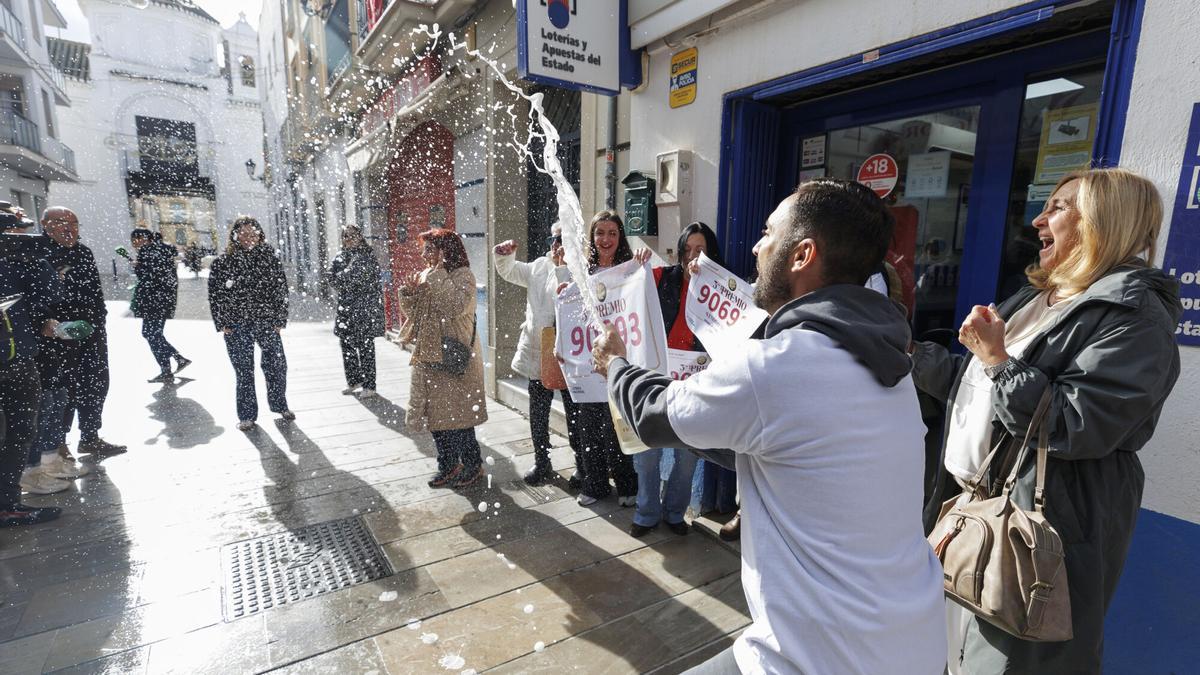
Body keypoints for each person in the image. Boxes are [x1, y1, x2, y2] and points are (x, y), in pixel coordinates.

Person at [595, 179, 945, 674]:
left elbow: (654, 415)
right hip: (916, 647)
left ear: (802, 254)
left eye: (768, 232)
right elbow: (782, 453)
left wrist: (614, 364)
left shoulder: (778, 364)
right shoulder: (890, 364)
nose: (757, 247)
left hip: (819, 659)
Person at [911, 167, 1181, 674]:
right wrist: (909, 354)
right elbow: (974, 387)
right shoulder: (1038, 298)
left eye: (1057, 207)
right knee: (946, 659)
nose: (1037, 219)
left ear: (1104, 221)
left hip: (1037, 534)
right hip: (973, 516)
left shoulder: (1134, 316)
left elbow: (1077, 423)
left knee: (1013, 663)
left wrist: (997, 361)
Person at [628, 222, 723, 538]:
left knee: (687, 458)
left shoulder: (720, 288)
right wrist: (637, 263)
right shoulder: (662, 278)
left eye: (701, 250)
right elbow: (626, 290)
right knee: (647, 455)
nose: (693, 256)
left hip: (696, 385)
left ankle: (674, 513)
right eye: (688, 249)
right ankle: (646, 514)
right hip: (657, 381)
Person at [493, 224, 585, 486]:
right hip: (539, 353)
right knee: (538, 412)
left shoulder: (579, 270)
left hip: (569, 354)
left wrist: (563, 266)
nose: (557, 245)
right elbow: (509, 271)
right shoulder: (537, 267)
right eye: (554, 239)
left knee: (574, 412)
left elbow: (564, 296)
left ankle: (581, 464)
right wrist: (503, 254)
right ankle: (542, 461)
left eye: (562, 239)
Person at [400, 228, 488, 489]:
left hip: (454, 359)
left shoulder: (464, 277)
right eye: (424, 248)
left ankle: (472, 465)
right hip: (431, 356)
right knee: (438, 420)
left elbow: (454, 307)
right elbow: (415, 315)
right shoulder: (428, 274)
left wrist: (437, 275)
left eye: (429, 248)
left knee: (460, 420)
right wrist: (409, 293)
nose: (423, 254)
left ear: (444, 251)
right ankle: (448, 465)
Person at [40, 207, 127, 458]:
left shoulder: (83, 252)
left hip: (91, 331)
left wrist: (100, 320)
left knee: (96, 382)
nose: (69, 228)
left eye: (74, 223)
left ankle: (90, 436)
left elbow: (95, 293)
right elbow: (37, 298)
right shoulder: (39, 255)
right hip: (59, 334)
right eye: (61, 223)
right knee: (64, 389)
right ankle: (59, 443)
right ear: (46, 225)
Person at [0, 205, 65, 525]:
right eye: (14, 233)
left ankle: (8, 502)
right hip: (10, 362)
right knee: (12, 433)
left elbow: (46, 298)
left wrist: (36, 265)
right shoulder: (15, 267)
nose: (23, 238)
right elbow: (45, 295)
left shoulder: (20, 266)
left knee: (21, 431)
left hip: (20, 359)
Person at [568, 211, 638, 507]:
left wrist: (643, 267)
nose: (606, 239)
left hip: (619, 362)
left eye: (612, 233)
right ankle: (594, 485)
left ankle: (627, 486)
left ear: (620, 236)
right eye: (600, 233)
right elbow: (570, 311)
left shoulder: (631, 271)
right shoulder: (583, 274)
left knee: (619, 427)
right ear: (592, 238)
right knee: (589, 428)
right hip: (589, 362)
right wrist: (565, 293)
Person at [208, 216, 294, 431]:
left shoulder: (269, 258)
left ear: (260, 235)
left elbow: (280, 290)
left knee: (276, 366)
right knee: (244, 370)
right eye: (244, 234)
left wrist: (279, 319)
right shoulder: (223, 261)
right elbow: (215, 294)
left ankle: (279, 405)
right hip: (236, 323)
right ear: (235, 236)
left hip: (266, 320)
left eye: (253, 234)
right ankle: (247, 415)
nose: (249, 238)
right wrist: (222, 322)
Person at [330, 225, 384, 398]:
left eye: (352, 236)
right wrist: (346, 275)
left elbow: (359, 281)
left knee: (365, 347)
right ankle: (354, 381)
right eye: (345, 236)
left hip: (364, 309)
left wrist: (344, 276)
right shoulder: (340, 256)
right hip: (346, 308)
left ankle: (370, 385)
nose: (348, 239)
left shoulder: (367, 256)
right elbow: (332, 280)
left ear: (360, 237)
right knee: (346, 345)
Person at [130, 228, 189, 383]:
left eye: (134, 240)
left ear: (143, 238)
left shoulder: (148, 251)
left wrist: (137, 266)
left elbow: (148, 277)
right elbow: (162, 275)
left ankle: (171, 365)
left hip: (153, 301)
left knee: (150, 333)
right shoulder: (161, 250)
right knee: (153, 334)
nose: (133, 244)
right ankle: (171, 364)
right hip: (164, 299)